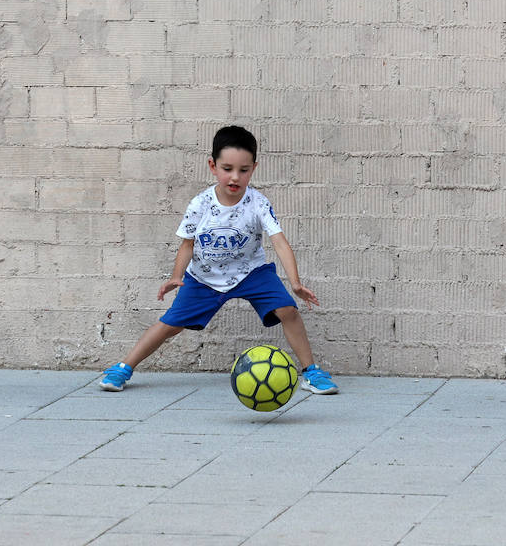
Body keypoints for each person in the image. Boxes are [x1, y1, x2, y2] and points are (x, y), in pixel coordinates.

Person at [98, 125, 338, 395]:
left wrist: (295, 283)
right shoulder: (200, 204)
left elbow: (279, 241)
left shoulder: (258, 203)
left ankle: (311, 372)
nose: (235, 177)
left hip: (252, 273)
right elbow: (187, 244)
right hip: (204, 277)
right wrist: (177, 276)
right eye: (227, 169)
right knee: (170, 325)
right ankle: (123, 368)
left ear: (253, 168)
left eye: (243, 170)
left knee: (288, 310)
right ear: (213, 166)